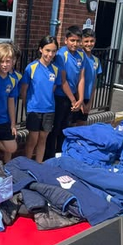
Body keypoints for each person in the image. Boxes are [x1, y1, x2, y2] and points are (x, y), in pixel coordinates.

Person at [20, 36, 62, 163]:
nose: (50, 54)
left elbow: (52, 88)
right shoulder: (31, 67)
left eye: (53, 51)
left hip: (49, 109)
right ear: (40, 49)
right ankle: (27, 164)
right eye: (47, 50)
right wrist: (27, 107)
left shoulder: (55, 69)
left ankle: (38, 164)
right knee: (32, 139)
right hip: (34, 109)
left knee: (43, 139)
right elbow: (24, 90)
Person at [45, 26, 85, 157]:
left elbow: (81, 78)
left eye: (78, 41)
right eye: (72, 40)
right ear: (66, 40)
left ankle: (61, 154)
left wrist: (80, 99)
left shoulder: (81, 55)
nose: (75, 43)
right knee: (55, 128)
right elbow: (63, 80)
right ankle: (49, 156)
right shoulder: (61, 55)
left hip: (72, 98)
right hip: (60, 97)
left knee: (66, 128)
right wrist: (73, 100)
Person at [76, 28, 103, 124]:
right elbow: (76, 80)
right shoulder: (77, 57)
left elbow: (94, 84)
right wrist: (81, 101)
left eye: (92, 41)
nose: (89, 44)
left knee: (81, 125)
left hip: (87, 98)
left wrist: (90, 102)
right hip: (76, 97)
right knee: (70, 126)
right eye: (86, 41)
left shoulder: (96, 60)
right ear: (81, 42)